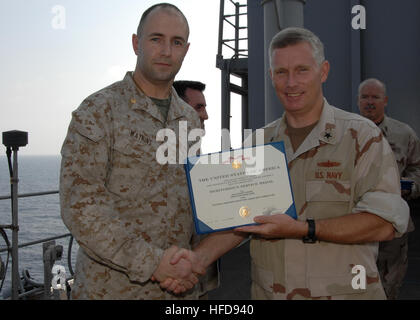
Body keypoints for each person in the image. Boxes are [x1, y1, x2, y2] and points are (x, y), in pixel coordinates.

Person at [165, 27, 410, 300]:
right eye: (281, 72)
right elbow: (240, 222)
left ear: (324, 71)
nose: (291, 82)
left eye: (302, 70)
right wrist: (196, 260)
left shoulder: (361, 137)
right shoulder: (257, 143)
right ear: (271, 76)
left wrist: (304, 228)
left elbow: (384, 224)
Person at [60, 3, 205, 299]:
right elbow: (81, 206)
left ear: (186, 50)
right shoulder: (99, 110)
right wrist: (153, 264)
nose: (166, 51)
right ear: (136, 43)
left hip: (177, 290)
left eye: (176, 42)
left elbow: (190, 199)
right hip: (113, 290)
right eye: (156, 39)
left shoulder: (188, 119)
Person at [358, 78, 420, 299]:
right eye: (365, 97)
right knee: (355, 284)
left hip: (391, 225)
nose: (370, 102)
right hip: (353, 224)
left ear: (385, 101)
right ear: (358, 101)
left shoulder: (404, 134)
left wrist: (410, 187)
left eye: (375, 97)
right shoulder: (344, 133)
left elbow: (417, 168)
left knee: (389, 285)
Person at [173, 80, 219, 299]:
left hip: (197, 273)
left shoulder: (194, 150)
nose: (206, 115)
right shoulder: (158, 154)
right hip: (173, 272)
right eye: (199, 107)